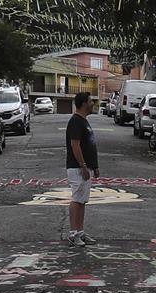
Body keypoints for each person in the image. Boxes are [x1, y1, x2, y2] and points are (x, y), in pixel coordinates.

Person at [63, 90, 99, 246]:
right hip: (77, 168)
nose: (93, 104)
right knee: (77, 199)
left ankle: (80, 232)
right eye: (91, 101)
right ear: (84, 103)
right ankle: (73, 233)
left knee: (82, 200)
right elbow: (75, 145)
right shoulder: (76, 121)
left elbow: (89, 145)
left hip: (86, 167)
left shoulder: (84, 121)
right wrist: (82, 165)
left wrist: (94, 166)